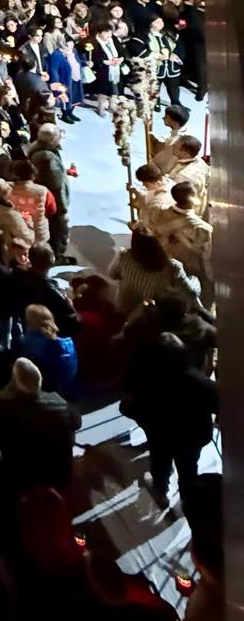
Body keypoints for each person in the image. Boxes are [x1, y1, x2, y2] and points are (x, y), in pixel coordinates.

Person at [122, 333, 218, 511]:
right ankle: (188, 502)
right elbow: (222, 406)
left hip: (160, 436)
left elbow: (126, 407)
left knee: (160, 465)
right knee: (189, 469)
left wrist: (145, 422)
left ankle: (161, 492)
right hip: (193, 437)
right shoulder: (201, 382)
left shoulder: (143, 378)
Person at [0, 357, 81, 494]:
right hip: (60, 472)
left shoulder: (2, 405)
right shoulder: (60, 403)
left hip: (24, 478)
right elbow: (77, 423)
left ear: (14, 382)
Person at [110, 229, 207, 318]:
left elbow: (112, 275)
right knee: (191, 285)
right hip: (150, 318)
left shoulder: (124, 255)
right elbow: (191, 293)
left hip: (122, 311)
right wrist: (195, 280)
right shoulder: (172, 266)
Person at [151, 180, 213, 299]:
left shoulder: (161, 211)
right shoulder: (201, 227)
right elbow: (205, 254)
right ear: (192, 199)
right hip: (191, 269)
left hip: (166, 262)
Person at [28, 123, 71, 259]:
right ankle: (57, 254)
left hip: (44, 196)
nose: (60, 138)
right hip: (52, 200)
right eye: (58, 136)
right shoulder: (48, 158)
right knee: (57, 228)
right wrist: (62, 209)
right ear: (52, 139)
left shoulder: (35, 147)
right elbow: (57, 186)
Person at [19, 304, 78, 397]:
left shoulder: (30, 341)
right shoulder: (69, 342)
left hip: (47, 389)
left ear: (29, 322)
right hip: (69, 387)